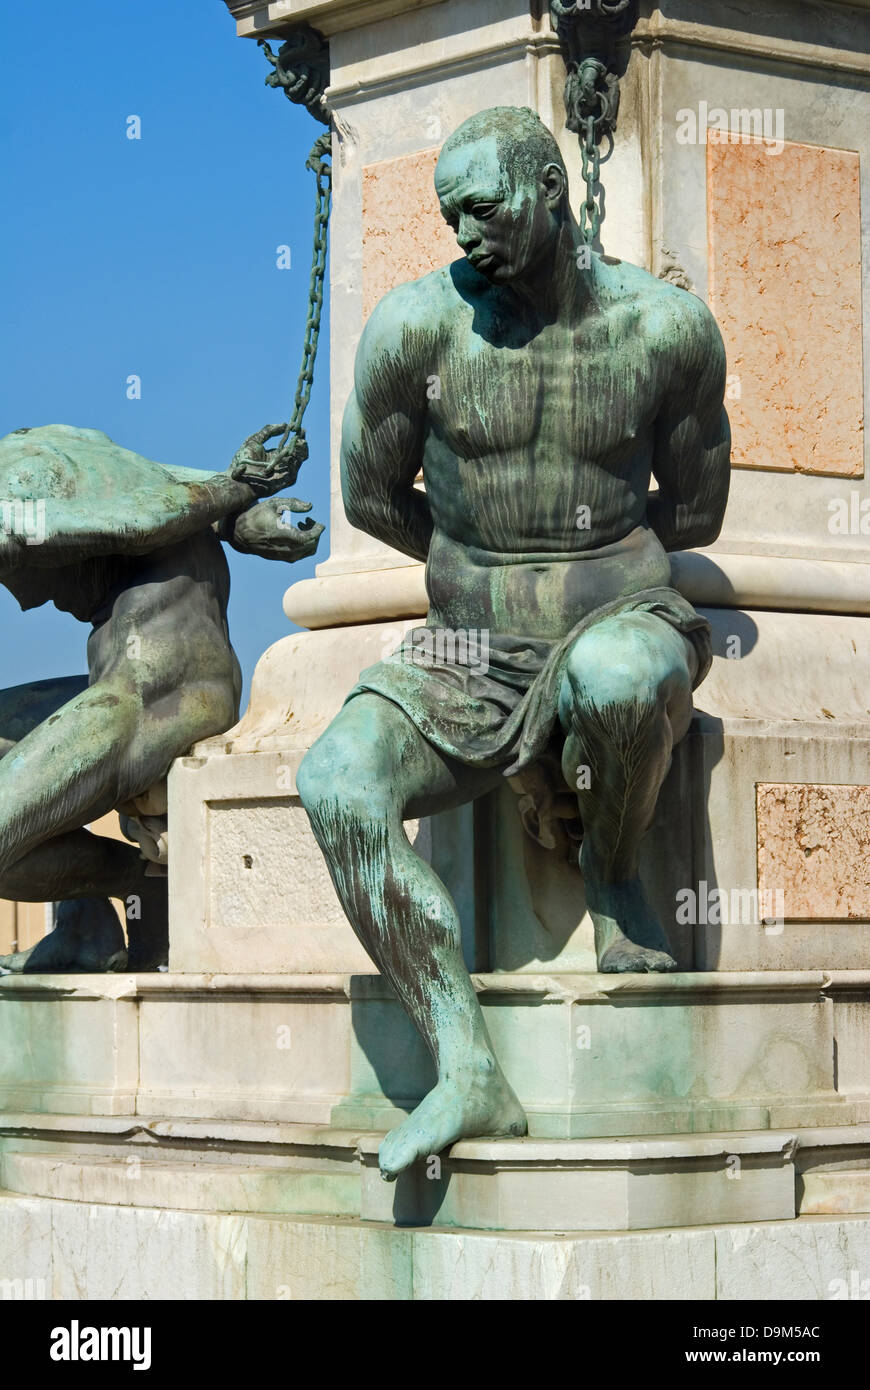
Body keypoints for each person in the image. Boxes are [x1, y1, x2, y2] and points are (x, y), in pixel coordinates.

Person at [297, 105, 731, 1179]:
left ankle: (614, 875)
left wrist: (587, 573)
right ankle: (465, 1065)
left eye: (483, 208)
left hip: (618, 620)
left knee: (619, 677)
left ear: (550, 187)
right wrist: (483, 573)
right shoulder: (414, 329)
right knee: (337, 780)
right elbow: (368, 498)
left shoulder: (665, 330)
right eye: (450, 216)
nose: (464, 234)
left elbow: (697, 511)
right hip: (467, 648)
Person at [0, 421, 321, 971]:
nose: (37, 598)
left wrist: (237, 492)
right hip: (118, 685)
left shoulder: (20, 487)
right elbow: (157, 497)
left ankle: (130, 886)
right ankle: (98, 915)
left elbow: (133, 522)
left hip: (168, 687)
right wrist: (234, 510)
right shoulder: (52, 450)